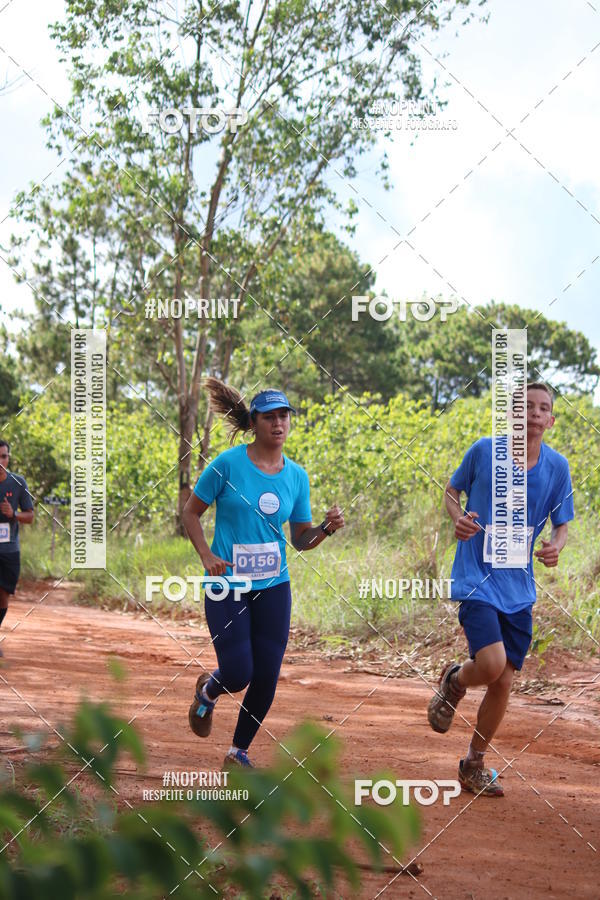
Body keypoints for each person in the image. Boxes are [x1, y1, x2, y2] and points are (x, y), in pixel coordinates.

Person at [182, 379, 345, 768]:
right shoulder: (227, 465)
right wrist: (206, 555)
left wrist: (325, 528)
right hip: (227, 583)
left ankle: (237, 752)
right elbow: (190, 513)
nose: (278, 423)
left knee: (267, 675)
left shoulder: (296, 476)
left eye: (284, 416)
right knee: (239, 672)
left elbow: (300, 539)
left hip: (274, 586)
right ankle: (208, 691)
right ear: (254, 422)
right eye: (270, 417)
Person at [427, 383, 574, 796]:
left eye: (543, 408)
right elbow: (451, 491)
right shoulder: (484, 450)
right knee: (491, 665)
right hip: (476, 577)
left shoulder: (557, 467)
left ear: (551, 420)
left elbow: (562, 523)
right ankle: (455, 680)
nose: (534, 413)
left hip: (518, 587)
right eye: (526, 406)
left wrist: (555, 547)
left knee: (504, 681)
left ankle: (473, 763)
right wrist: (458, 519)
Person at [0, 441, 35, 656]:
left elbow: (30, 516)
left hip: (9, 550)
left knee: (3, 595)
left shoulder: (18, 483)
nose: (0, 461)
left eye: (4, 456)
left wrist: (13, 514)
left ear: (8, 458)